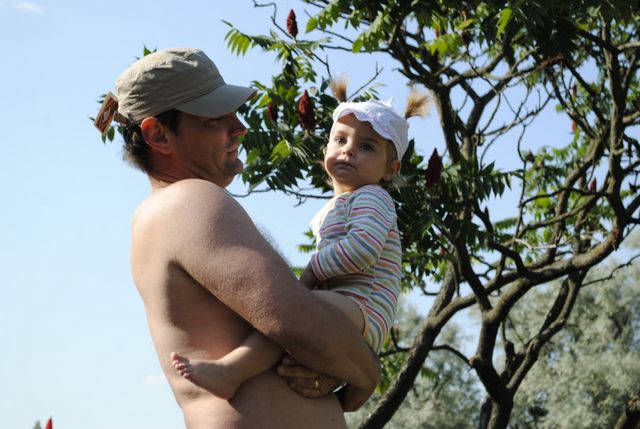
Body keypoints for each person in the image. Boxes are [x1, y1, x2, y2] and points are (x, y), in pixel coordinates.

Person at [103, 48, 380, 429]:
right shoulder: (188, 201)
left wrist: (333, 358)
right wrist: (366, 374)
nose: (240, 128)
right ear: (158, 134)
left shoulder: (160, 213)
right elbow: (299, 322)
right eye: (215, 119)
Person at [170, 84, 428, 402]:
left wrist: (311, 273)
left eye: (367, 147)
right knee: (293, 327)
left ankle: (231, 372)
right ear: (326, 147)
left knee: (289, 313)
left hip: (363, 308)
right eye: (340, 140)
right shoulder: (341, 204)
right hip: (348, 308)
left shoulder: (373, 197)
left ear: (391, 169)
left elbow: (362, 250)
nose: (349, 151)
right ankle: (330, 378)